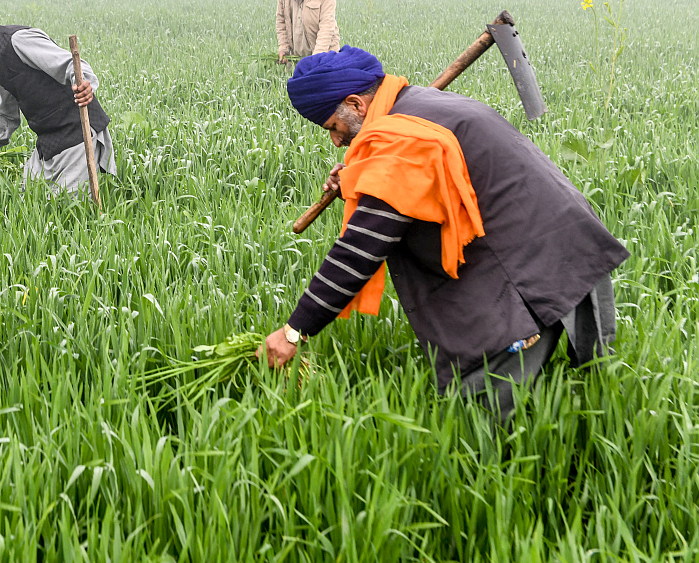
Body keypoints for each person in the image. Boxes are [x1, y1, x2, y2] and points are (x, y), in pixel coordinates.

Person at [262, 46, 629, 420]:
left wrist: (295, 330)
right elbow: (418, 182)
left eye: (333, 128)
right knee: (584, 391)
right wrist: (360, 178)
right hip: (571, 245)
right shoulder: (420, 104)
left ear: (356, 104)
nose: (337, 143)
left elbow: (359, 250)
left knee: (487, 419)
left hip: (530, 271)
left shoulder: (399, 145)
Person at [0, 4, 116, 195]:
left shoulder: (19, 40)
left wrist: (84, 84)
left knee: (68, 208)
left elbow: (70, 63)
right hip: (49, 140)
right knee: (26, 198)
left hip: (77, 132)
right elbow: (6, 114)